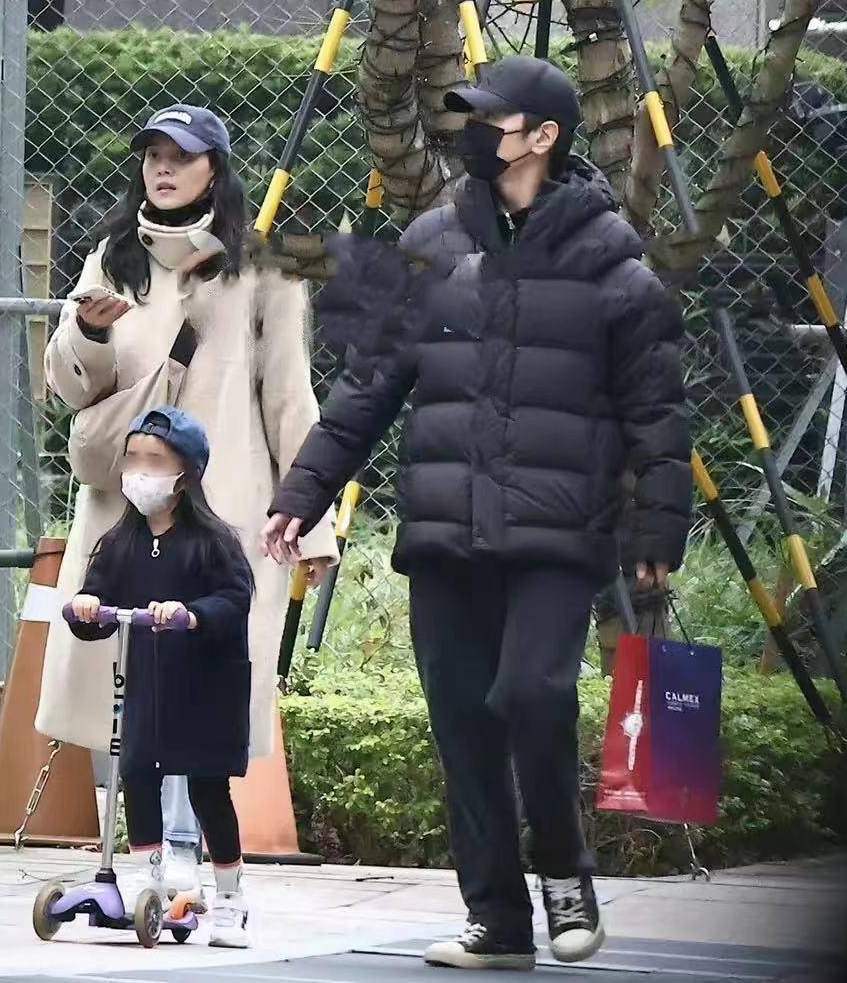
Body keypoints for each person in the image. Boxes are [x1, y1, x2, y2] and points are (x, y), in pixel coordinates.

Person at [263, 56, 691, 969]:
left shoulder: (614, 263)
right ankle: (497, 922)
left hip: (556, 532)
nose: (471, 134)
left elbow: (658, 411)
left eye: (490, 120)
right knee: (463, 723)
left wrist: (658, 525)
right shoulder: (429, 243)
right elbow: (367, 387)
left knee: (532, 694)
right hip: (445, 530)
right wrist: (302, 493)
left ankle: (564, 873)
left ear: (543, 137)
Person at [37, 104, 338, 906]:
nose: (163, 168)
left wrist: (311, 522)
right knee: (126, 682)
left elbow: (291, 400)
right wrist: (89, 335)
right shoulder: (112, 257)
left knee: (199, 685)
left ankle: (186, 855)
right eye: (152, 155)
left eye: (182, 155)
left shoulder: (265, 273)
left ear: (215, 169)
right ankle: (148, 863)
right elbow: (69, 385)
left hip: (222, 517)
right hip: (126, 507)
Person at [68, 405, 253, 947]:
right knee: (137, 773)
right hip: (148, 684)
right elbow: (98, 601)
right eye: (133, 459)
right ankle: (148, 877)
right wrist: (87, 606)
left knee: (207, 788)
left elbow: (235, 599)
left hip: (206, 687)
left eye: (155, 461)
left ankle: (231, 897)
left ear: (185, 474)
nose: (139, 472)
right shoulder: (120, 543)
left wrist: (192, 614)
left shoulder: (212, 542)